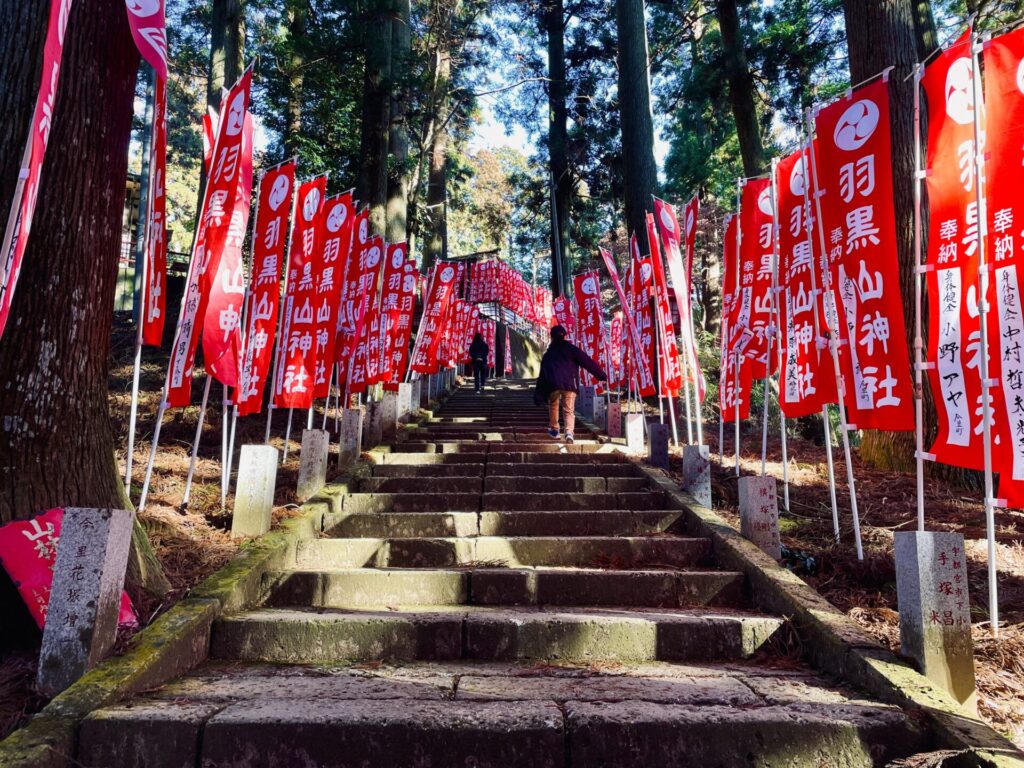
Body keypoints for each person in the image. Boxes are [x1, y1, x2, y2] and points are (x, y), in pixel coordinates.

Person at [533, 324, 607, 444]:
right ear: (564, 336)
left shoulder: (548, 354)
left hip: (553, 386)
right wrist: (601, 375)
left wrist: (538, 396)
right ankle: (569, 433)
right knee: (569, 410)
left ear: (551, 337)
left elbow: (542, 376)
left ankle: (554, 430)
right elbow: (587, 361)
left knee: (554, 406)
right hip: (569, 384)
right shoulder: (571, 349)